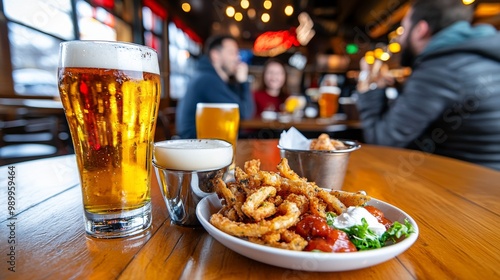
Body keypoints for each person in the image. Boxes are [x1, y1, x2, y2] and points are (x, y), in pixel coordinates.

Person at [355, 0, 500, 170]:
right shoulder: (482, 57)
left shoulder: (441, 67)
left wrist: (370, 88)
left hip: (463, 189)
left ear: (420, 30)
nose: (400, 38)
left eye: (403, 29)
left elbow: (383, 142)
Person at [175, 35, 255, 139]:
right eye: (232, 53)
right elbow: (245, 114)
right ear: (215, 55)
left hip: (205, 139)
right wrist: (244, 82)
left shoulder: (209, 77)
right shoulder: (207, 80)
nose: (237, 58)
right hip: (195, 144)